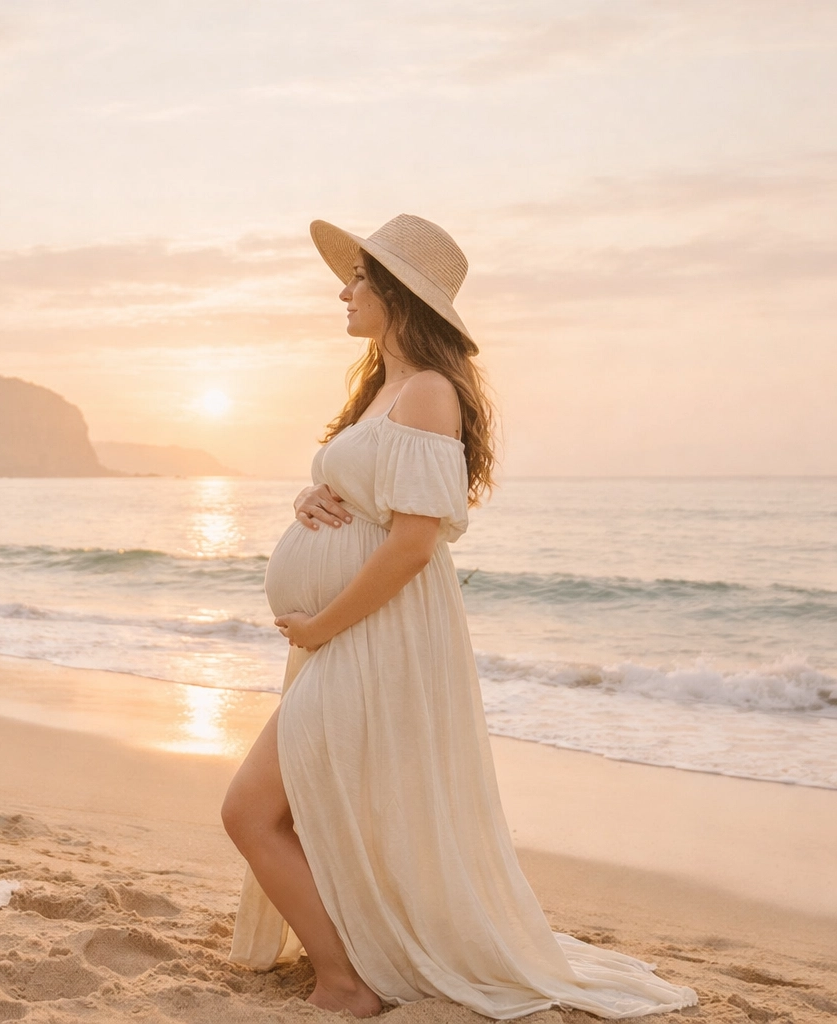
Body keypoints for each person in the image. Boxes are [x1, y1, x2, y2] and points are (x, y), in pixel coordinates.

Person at [220, 215, 697, 1019]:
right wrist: (310, 496)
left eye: (360, 279)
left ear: (399, 295)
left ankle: (349, 982)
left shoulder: (430, 393)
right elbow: (369, 497)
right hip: (344, 637)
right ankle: (355, 957)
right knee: (299, 805)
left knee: (251, 809)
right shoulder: (378, 388)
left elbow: (412, 545)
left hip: (374, 636)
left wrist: (323, 624)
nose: (344, 290)